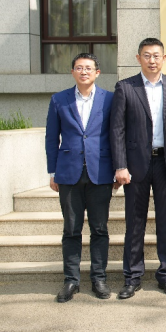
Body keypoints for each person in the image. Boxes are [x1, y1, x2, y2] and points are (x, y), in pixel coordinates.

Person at [111, 38, 166, 299]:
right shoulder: (125, 87)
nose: (152, 60)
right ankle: (132, 277)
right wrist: (120, 165)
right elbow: (117, 130)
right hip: (135, 166)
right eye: (147, 55)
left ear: (164, 58)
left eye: (156, 55)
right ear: (138, 58)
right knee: (135, 223)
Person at [45, 53, 118, 303]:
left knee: (99, 229)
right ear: (73, 72)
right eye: (79, 68)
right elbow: (51, 138)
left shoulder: (110, 99)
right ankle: (71, 280)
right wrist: (52, 172)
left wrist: (118, 168)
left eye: (88, 68)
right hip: (68, 173)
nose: (83, 72)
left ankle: (99, 278)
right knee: (71, 229)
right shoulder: (59, 99)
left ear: (97, 72)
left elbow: (116, 135)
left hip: (101, 172)